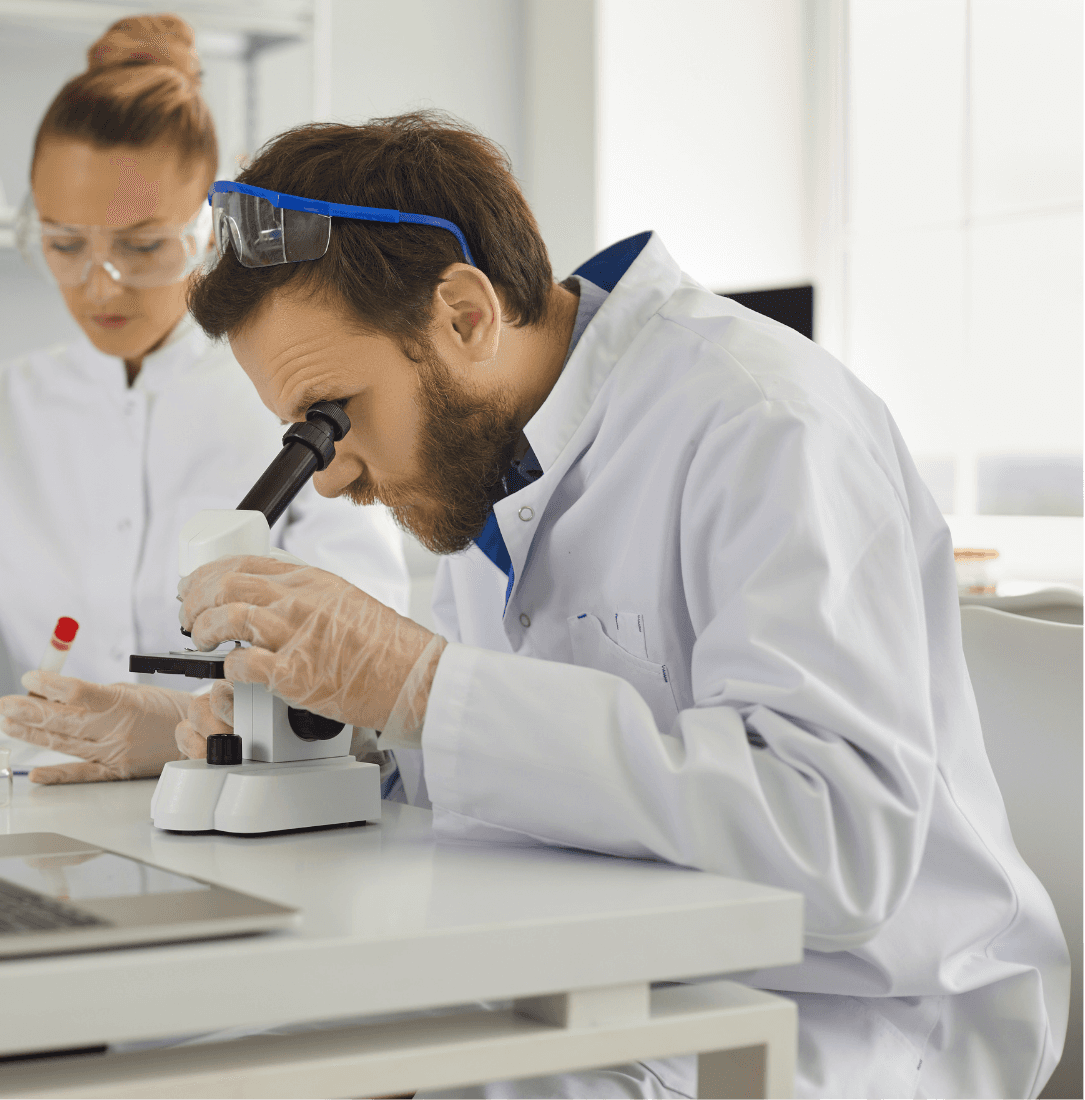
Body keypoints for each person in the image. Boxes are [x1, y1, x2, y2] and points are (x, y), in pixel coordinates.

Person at [173, 112, 1068, 1099]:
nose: (331, 479)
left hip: (862, 1012)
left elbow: (838, 848)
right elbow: (534, 778)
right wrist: (318, 739)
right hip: (617, 970)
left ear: (464, 314)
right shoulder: (490, 457)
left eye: (332, 418)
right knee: (215, 1049)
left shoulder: (763, 421)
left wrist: (423, 685)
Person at [0, 15, 407, 784]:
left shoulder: (292, 393)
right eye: (65, 245)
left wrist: (188, 725)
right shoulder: (4, 407)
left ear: (211, 226)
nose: (99, 285)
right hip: (48, 805)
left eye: (141, 247)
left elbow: (362, 651)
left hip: (251, 800)